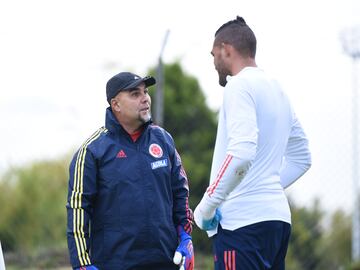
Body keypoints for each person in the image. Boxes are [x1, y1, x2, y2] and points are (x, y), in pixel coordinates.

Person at [194, 16, 312, 270]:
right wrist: (262, 186)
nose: (214, 63)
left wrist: (207, 206)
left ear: (226, 49)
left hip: (242, 225)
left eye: (214, 55)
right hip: (277, 221)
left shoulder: (238, 86)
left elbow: (241, 152)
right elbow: (302, 158)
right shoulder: (278, 89)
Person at [66, 71, 194, 270]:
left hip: (166, 261)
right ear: (116, 104)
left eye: (145, 92)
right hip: (115, 265)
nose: (145, 99)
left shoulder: (163, 139)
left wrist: (185, 236)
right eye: (135, 94)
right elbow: (78, 211)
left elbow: (180, 192)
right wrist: (82, 264)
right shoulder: (91, 152)